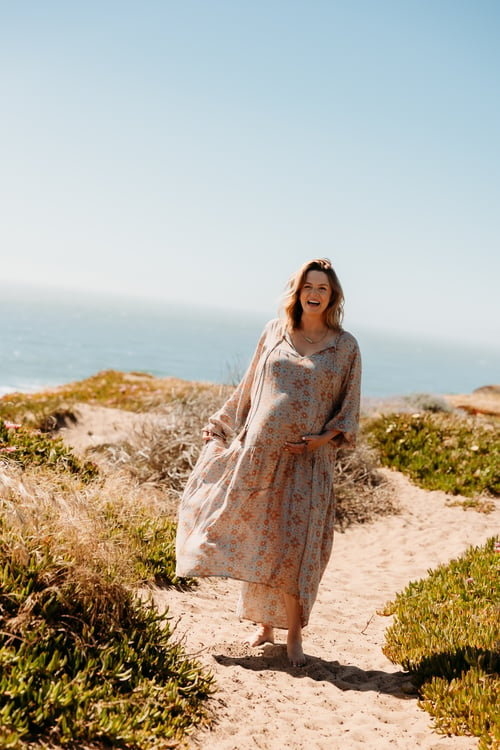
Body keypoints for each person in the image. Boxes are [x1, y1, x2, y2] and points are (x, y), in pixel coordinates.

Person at [175, 258, 361, 666]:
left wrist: (320, 440)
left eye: (323, 289)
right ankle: (264, 626)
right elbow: (249, 387)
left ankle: (294, 634)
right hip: (258, 456)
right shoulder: (274, 332)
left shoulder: (344, 345)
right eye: (308, 286)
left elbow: (348, 410)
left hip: (309, 464)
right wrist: (221, 424)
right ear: (297, 291)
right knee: (265, 539)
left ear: (333, 297)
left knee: (296, 547)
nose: (314, 294)